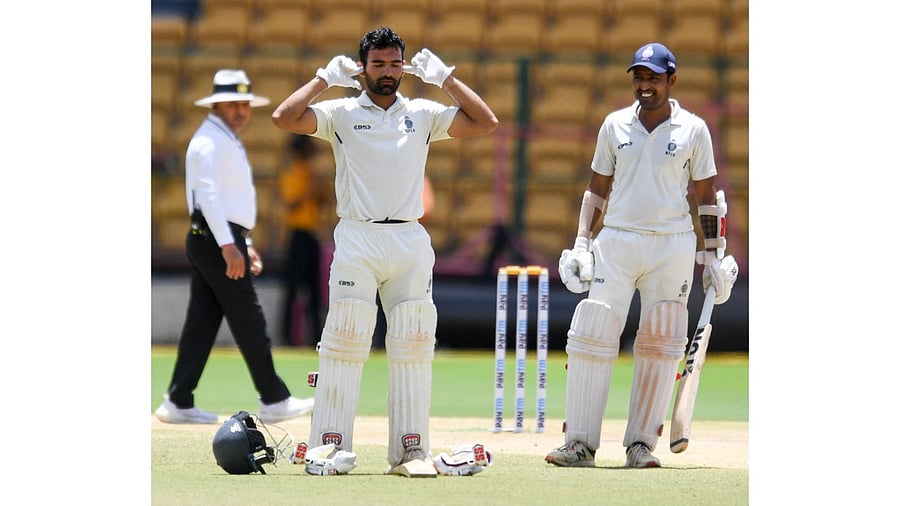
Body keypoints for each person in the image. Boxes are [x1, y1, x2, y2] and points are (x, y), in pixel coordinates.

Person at [271, 26, 498, 476]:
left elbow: (486, 123)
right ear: (362, 67)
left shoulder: (423, 113)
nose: (389, 72)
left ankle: (410, 451)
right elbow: (283, 118)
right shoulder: (339, 112)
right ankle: (329, 446)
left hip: (409, 239)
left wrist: (447, 78)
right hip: (358, 235)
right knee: (346, 336)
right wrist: (322, 79)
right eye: (379, 64)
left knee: (414, 339)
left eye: (396, 64)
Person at [546, 42, 735, 468]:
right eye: (639, 77)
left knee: (663, 340)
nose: (645, 85)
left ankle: (641, 444)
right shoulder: (614, 125)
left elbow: (705, 197)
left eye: (653, 77)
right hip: (617, 239)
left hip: (672, 244)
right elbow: (597, 187)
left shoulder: (693, 129)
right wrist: (581, 241)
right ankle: (579, 444)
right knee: (592, 333)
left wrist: (714, 255)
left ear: (672, 80)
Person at [154, 69, 314, 425]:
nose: (242, 111)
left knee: (203, 321)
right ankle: (274, 398)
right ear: (217, 105)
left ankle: (178, 399)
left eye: (245, 104)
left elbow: (225, 198)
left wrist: (245, 242)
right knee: (248, 317)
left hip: (217, 236)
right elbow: (208, 196)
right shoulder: (210, 140)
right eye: (233, 104)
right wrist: (230, 246)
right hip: (215, 238)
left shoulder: (220, 137)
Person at [277, 134, 328, 347]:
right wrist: (311, 186)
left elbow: (325, 201)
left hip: (311, 235)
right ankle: (287, 338)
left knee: (315, 293)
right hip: (297, 234)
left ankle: (316, 337)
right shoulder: (292, 173)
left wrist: (320, 185)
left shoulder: (311, 173)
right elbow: (293, 203)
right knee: (292, 290)